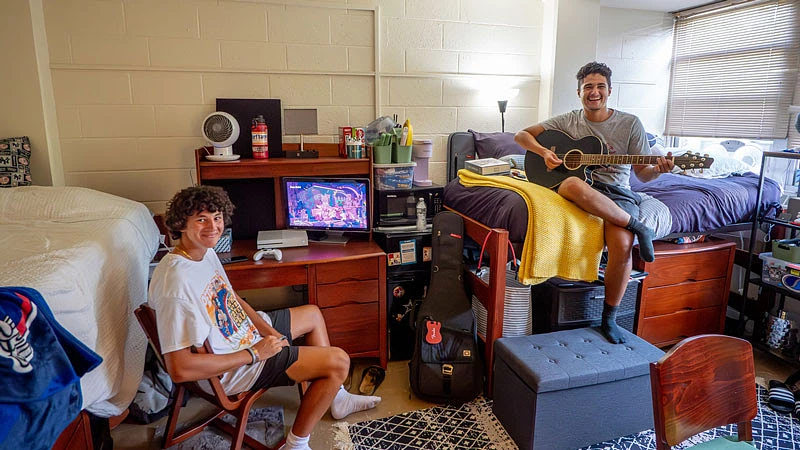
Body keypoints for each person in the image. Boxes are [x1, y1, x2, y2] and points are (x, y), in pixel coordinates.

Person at [148, 186, 381, 450]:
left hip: (243, 336)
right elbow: (179, 369)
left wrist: (265, 330)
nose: (213, 226)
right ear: (181, 223)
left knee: (313, 314)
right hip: (235, 364)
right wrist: (256, 353)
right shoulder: (176, 282)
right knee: (339, 362)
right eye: (201, 219)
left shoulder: (203, 253)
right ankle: (296, 444)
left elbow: (231, 297)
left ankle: (336, 398)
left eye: (217, 217)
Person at [514, 61, 674, 344]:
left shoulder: (629, 124)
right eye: (588, 87)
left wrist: (658, 169)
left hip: (617, 193)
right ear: (579, 92)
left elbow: (643, 175)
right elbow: (521, 135)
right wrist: (544, 153)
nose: (594, 92)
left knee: (623, 245)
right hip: (582, 189)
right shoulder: (568, 120)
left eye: (600, 86)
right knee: (573, 183)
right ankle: (639, 226)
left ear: (609, 91)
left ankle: (609, 317)